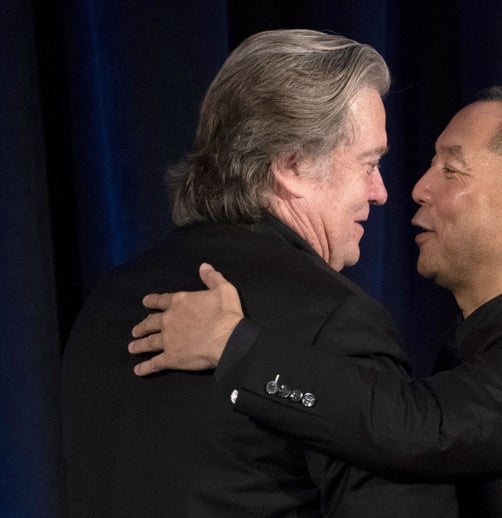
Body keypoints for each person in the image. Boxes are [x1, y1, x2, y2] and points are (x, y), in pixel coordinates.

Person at [129, 86, 502, 516]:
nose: (417, 188)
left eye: (451, 169)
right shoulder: (500, 336)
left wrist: (234, 347)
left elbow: (419, 430)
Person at [62, 28, 457, 517]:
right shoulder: (337, 319)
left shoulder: (108, 298)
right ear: (291, 165)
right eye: (369, 163)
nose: (381, 192)